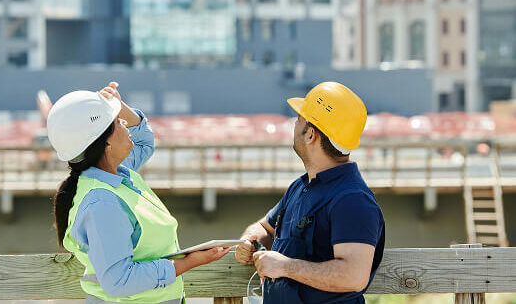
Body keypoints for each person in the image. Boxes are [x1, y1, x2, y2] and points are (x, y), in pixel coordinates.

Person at [47, 82, 230, 304]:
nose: (125, 123)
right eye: (117, 122)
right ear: (105, 144)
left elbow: (144, 141)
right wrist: (190, 262)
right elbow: (118, 280)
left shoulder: (120, 176)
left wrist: (118, 104)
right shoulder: (102, 202)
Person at [235, 81, 385, 304]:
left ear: (311, 134)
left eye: (299, 120)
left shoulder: (353, 200)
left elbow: (354, 276)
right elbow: (264, 227)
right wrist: (249, 241)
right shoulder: (301, 187)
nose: (295, 126)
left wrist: (285, 267)